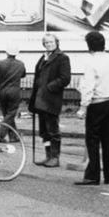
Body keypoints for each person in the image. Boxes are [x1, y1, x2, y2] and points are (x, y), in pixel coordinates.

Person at [74, 30, 109, 186]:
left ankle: (93, 175)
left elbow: (88, 87)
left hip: (96, 104)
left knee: (92, 140)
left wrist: (83, 107)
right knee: (107, 140)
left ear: (89, 46)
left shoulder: (91, 63)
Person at [29, 33, 71, 168]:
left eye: (51, 42)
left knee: (53, 129)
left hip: (51, 99)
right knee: (44, 131)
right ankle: (48, 155)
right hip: (40, 100)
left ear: (57, 43)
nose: (49, 44)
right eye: (46, 42)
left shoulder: (62, 58)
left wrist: (50, 87)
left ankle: (55, 157)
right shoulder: (43, 57)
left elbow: (65, 78)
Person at [0, 43, 26, 138]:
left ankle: (14, 136)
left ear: (6, 52)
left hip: (2, 91)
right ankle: (2, 135)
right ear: (17, 53)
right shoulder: (21, 64)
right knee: (10, 114)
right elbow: (23, 75)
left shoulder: (0, 63)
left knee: (7, 114)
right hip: (14, 92)